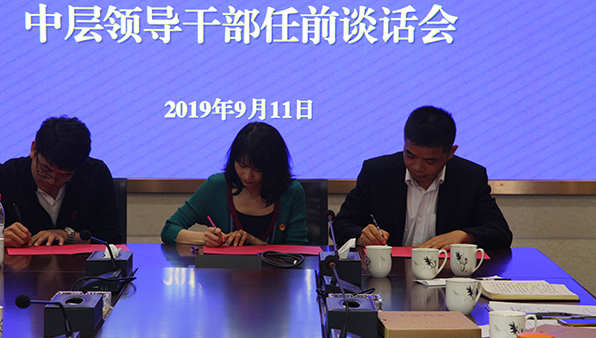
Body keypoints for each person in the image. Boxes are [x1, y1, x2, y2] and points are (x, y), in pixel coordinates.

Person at [334, 106, 512, 251]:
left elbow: (501, 234)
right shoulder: (377, 172)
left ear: (451, 152)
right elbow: (340, 225)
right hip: (388, 273)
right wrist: (361, 236)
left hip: (446, 275)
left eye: (430, 160)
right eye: (410, 155)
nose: (417, 167)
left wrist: (464, 236)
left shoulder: (470, 177)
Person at [0, 116, 122, 247]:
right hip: (17, 278)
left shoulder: (95, 174)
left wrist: (67, 236)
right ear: (34, 149)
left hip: (81, 276)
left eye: (64, 176)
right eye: (45, 171)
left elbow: (112, 237)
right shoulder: (9, 175)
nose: (52, 181)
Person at [161, 122, 308, 246]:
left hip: (277, 273)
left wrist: (252, 241)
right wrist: (205, 238)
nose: (247, 175)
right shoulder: (216, 186)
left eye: (257, 168)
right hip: (223, 272)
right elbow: (169, 230)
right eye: (242, 165)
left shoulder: (291, 192)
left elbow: (298, 252)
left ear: (273, 166)